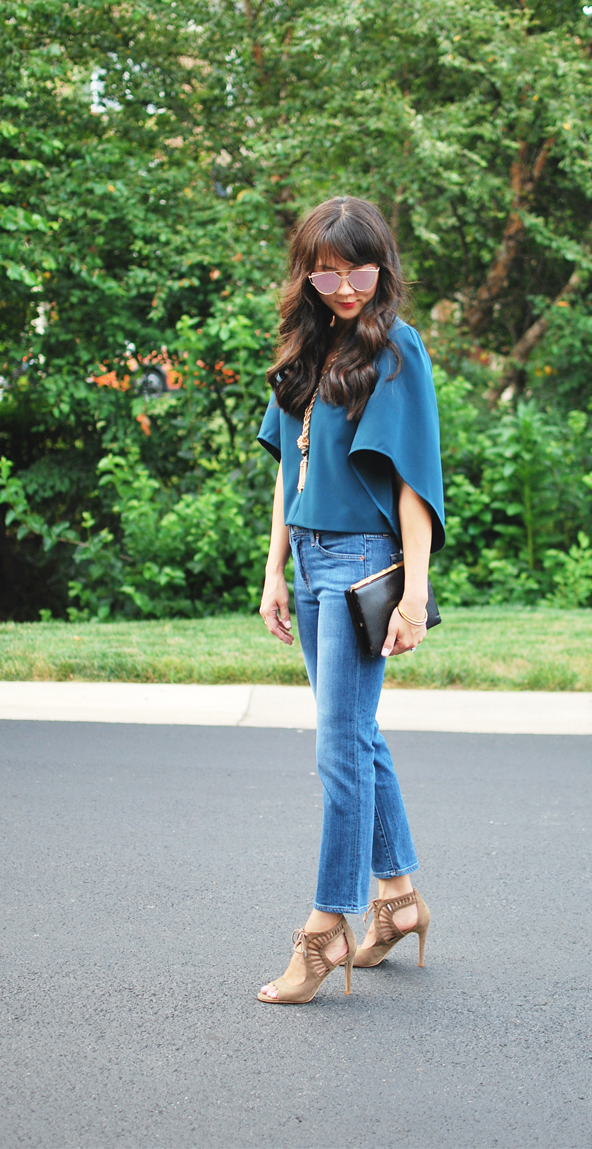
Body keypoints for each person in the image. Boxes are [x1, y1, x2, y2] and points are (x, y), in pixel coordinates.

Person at [256, 196, 445, 1005]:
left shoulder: (397, 348)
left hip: (365, 564)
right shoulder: (308, 344)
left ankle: (327, 925)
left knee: (339, 750)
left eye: (357, 271)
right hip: (308, 560)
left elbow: (413, 480)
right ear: (306, 273)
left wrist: (415, 593)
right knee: (357, 738)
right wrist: (273, 570)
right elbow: (287, 470)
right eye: (326, 272)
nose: (342, 288)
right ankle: (398, 901)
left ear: (382, 267)